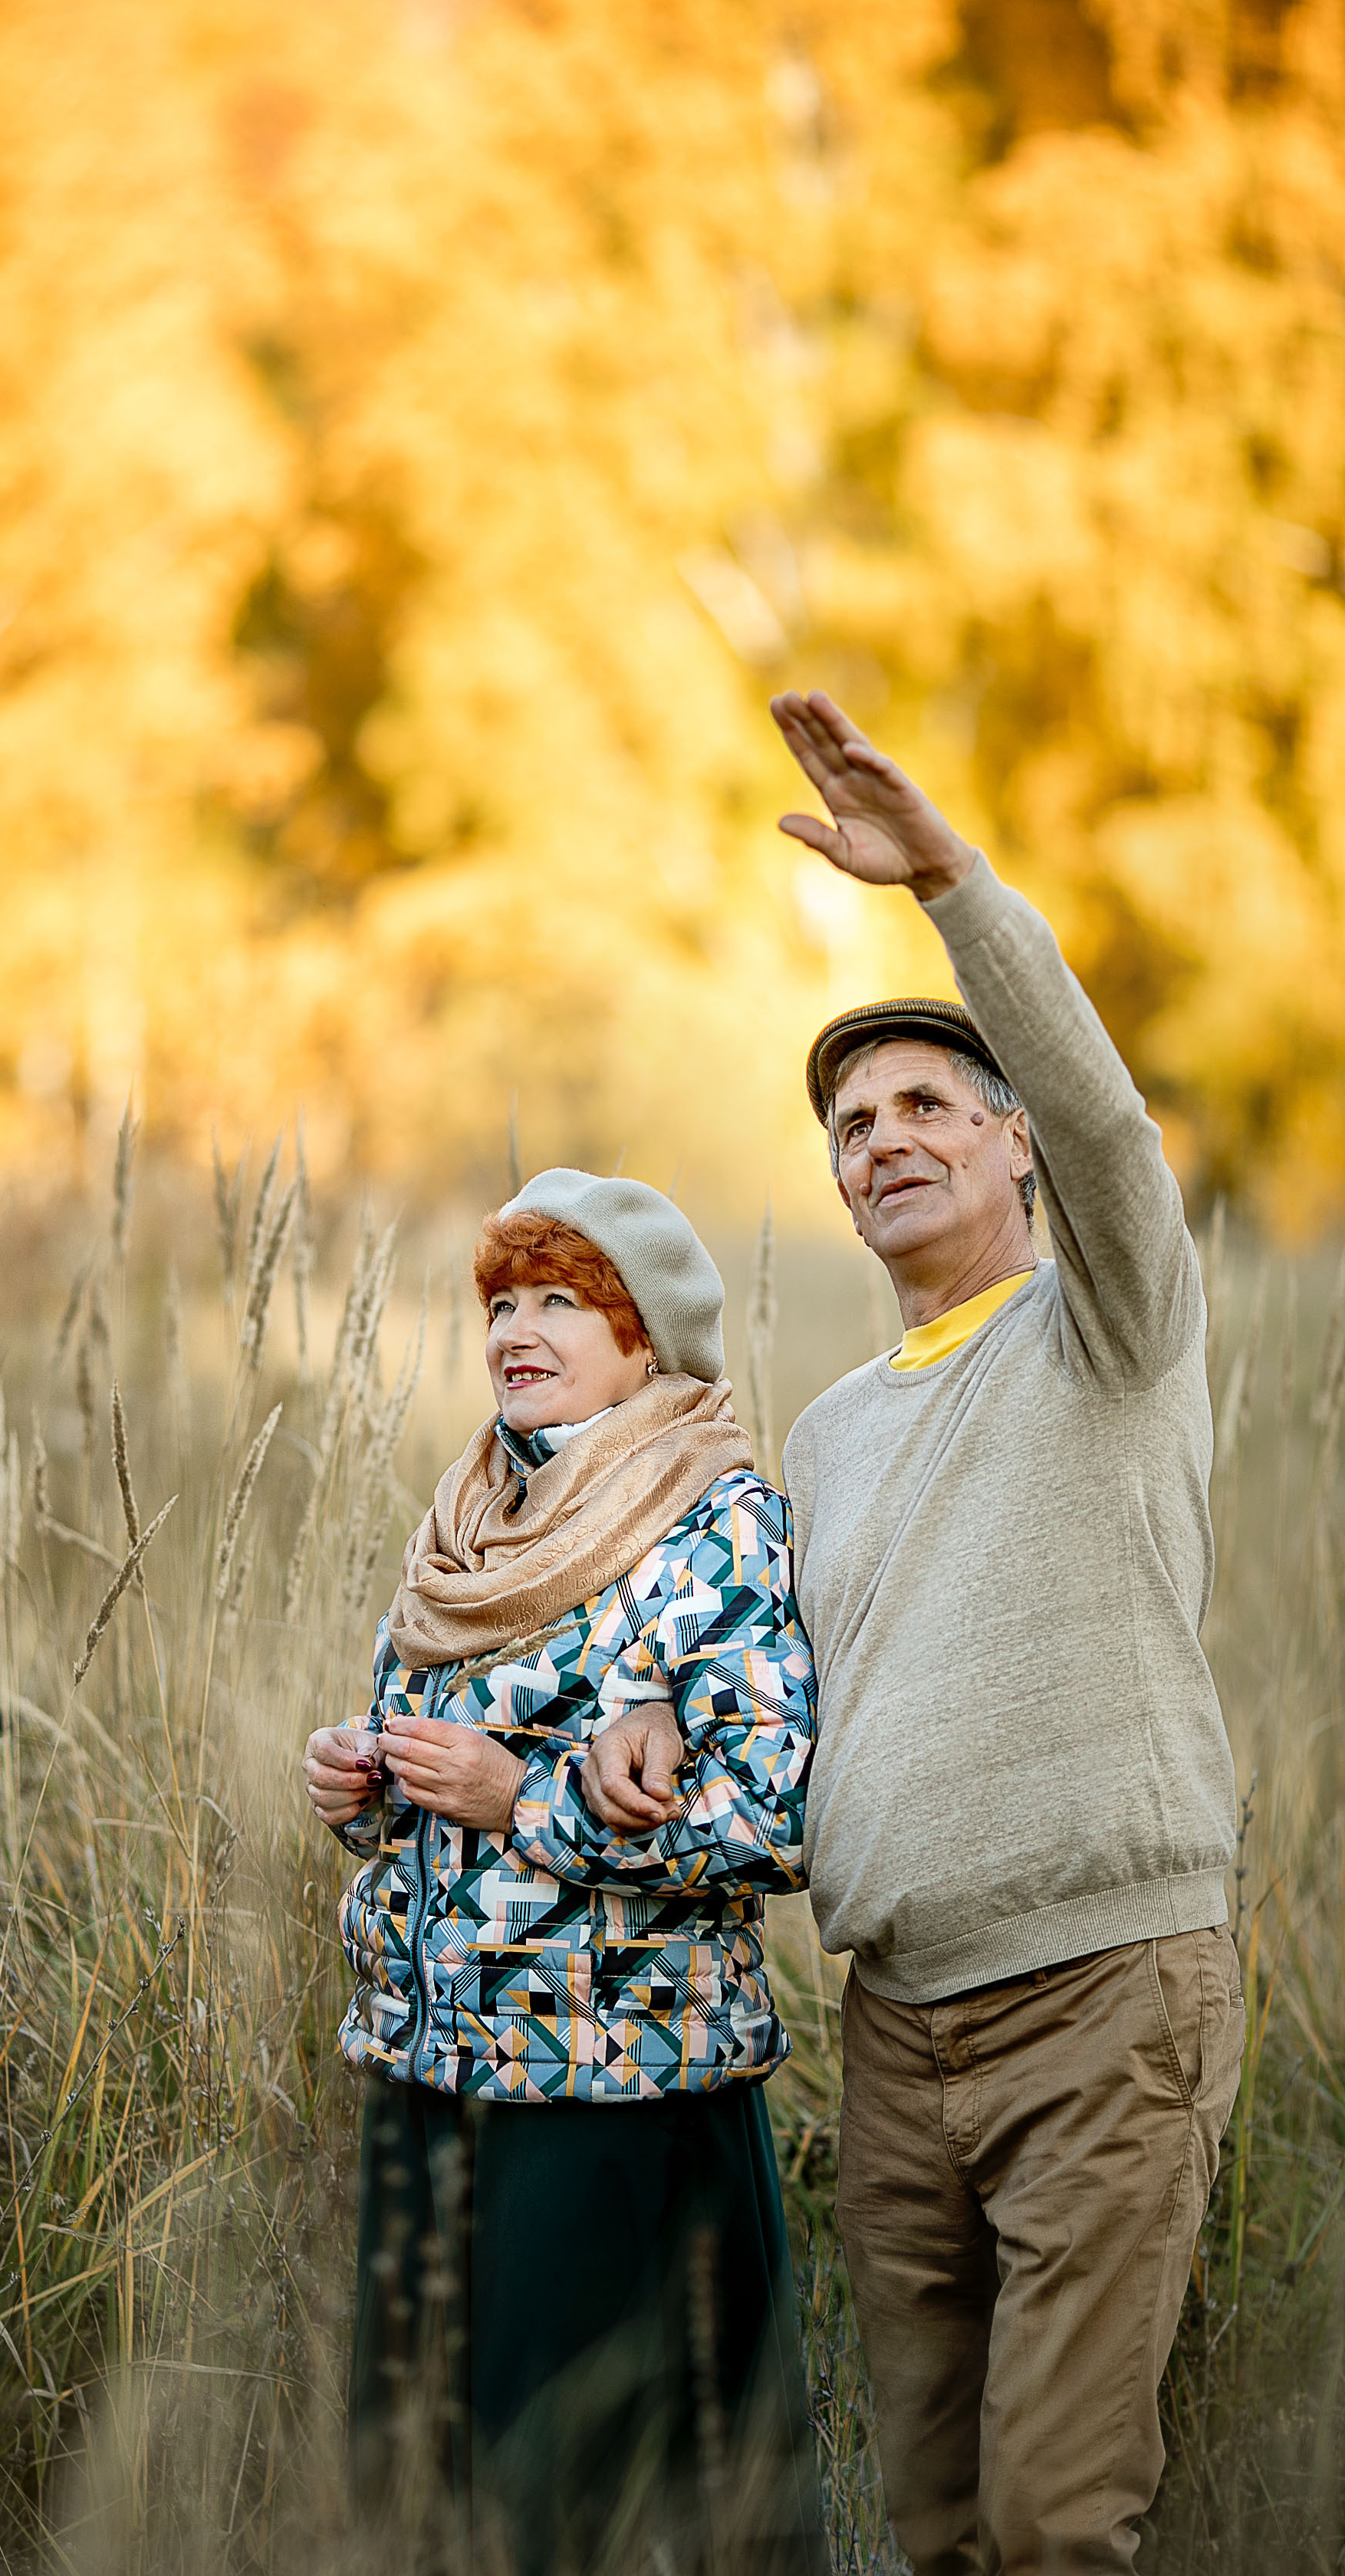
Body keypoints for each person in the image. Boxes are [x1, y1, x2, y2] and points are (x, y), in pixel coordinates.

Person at [585, 694, 1245, 2576]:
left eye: (927, 1108)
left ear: (1019, 1149)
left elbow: (1113, 1112)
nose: (880, 1140)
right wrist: (640, 1698)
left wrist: (946, 885)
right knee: (934, 2524)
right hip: (895, 2036)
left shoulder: (1109, 1325)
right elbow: (760, 1680)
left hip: (1101, 1996)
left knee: (1056, 2523)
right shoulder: (831, 1430)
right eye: (850, 1124)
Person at [303, 1169, 830, 2576]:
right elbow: (442, 1779)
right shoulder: (467, 1527)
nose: (515, 1331)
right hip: (431, 2076)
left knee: (593, 2508)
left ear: (644, 1339)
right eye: (502, 1302)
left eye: (561, 1302)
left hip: (609, 2094)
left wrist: (517, 1795)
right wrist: (367, 1789)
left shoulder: (711, 1526)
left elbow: (773, 1812)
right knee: (433, 2500)